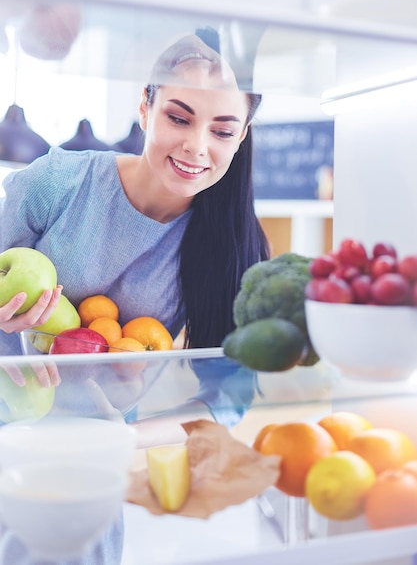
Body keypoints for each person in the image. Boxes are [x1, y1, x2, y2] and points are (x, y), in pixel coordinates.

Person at [0, 30, 269, 564]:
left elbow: (229, 398)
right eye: (179, 117)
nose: (197, 146)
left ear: (242, 137)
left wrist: (127, 438)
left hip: (89, 468)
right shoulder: (57, 183)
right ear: (144, 107)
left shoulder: (232, 244)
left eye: (222, 130)